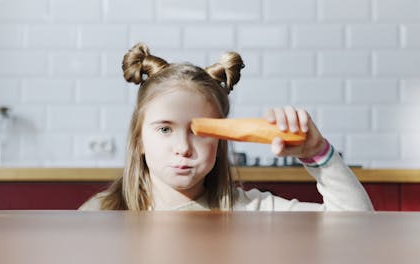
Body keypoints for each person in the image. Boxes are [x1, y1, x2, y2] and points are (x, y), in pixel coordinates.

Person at [79, 43, 374, 211]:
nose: (182, 148)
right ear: (139, 139)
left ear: (220, 140)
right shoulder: (103, 213)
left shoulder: (252, 211)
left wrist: (318, 153)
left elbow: (356, 225)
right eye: (165, 129)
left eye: (199, 131)